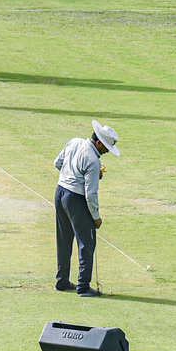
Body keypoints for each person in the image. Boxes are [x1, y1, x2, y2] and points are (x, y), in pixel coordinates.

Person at [52, 120, 120, 297]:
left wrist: (72, 174)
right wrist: (96, 217)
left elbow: (57, 163)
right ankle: (83, 286)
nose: (105, 151)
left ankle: (62, 280)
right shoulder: (93, 161)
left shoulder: (74, 141)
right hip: (76, 199)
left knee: (64, 239)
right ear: (98, 142)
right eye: (105, 147)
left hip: (60, 193)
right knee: (86, 243)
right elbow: (90, 194)